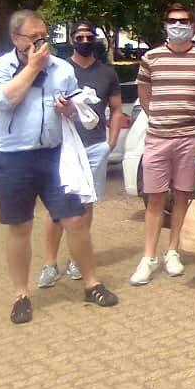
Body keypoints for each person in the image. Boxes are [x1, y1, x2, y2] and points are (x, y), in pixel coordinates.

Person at [0, 10, 118, 324]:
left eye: (44, 34)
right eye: (33, 37)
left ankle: (91, 283)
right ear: (16, 39)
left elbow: (76, 108)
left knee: (75, 219)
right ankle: (21, 294)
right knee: (20, 226)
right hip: (14, 157)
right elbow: (4, 100)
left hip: (56, 155)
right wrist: (32, 68)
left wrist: (69, 108)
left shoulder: (62, 69)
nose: (41, 42)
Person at [130, 4, 195, 286]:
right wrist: (153, 112)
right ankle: (148, 257)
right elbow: (143, 89)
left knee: (182, 196)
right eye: (173, 21)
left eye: (184, 21)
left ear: (193, 25)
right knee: (154, 198)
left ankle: (173, 251)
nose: (178, 25)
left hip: (190, 137)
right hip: (157, 137)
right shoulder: (151, 57)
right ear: (165, 24)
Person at [37, 21, 124, 288]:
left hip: (96, 146)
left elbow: (117, 109)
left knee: (85, 205)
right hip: (64, 148)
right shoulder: (60, 70)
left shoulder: (107, 73)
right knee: (57, 208)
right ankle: (50, 263)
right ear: (72, 39)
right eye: (79, 36)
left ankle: (78, 258)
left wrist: (110, 142)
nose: (85, 40)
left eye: (89, 36)